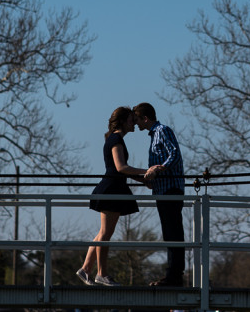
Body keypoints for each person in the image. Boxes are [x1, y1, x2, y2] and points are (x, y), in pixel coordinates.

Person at [78, 106, 148, 286]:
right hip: (112, 190)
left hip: (114, 188)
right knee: (105, 234)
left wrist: (143, 179)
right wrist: (147, 171)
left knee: (103, 232)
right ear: (124, 121)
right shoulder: (116, 138)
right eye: (132, 120)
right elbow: (121, 168)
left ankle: (86, 268)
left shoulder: (114, 138)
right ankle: (101, 273)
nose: (134, 124)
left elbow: (121, 171)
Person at [133, 102, 185, 287]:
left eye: (137, 119)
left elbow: (174, 155)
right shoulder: (154, 135)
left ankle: (175, 276)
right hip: (162, 189)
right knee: (169, 233)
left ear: (145, 118)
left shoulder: (162, 130)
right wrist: (150, 180)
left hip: (170, 189)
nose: (136, 123)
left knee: (173, 233)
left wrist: (158, 170)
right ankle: (173, 274)